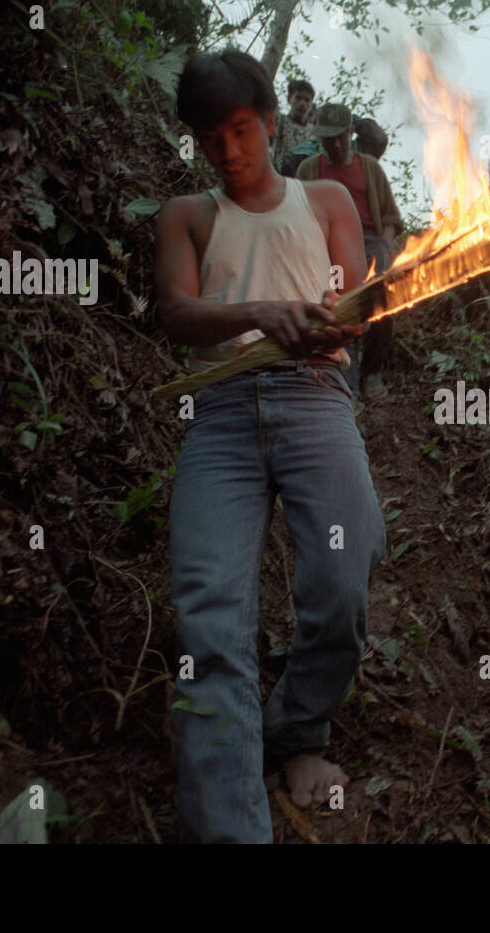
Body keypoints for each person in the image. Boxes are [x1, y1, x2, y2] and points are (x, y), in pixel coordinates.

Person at [154, 49, 385, 843]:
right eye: (209, 137)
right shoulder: (186, 214)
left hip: (315, 395)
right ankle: (228, 822)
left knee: (344, 571)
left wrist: (333, 317)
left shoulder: (325, 199)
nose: (228, 151)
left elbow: (355, 307)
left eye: (242, 129)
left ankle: (293, 731)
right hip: (218, 412)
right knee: (211, 614)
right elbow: (177, 315)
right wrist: (261, 310)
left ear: (272, 122)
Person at [296, 105, 403, 399]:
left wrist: (383, 244)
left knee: (383, 299)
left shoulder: (369, 167)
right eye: (329, 139)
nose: (337, 144)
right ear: (321, 139)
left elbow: (392, 218)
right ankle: (348, 384)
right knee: (339, 307)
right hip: (328, 243)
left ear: (350, 134)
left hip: (369, 240)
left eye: (341, 137)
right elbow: (299, 218)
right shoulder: (309, 170)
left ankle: (372, 373)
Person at [271, 78, 314, 170]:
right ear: (289, 99)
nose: (302, 104)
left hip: (303, 180)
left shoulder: (314, 133)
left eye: (307, 100)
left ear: (311, 104)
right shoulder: (279, 122)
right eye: (298, 98)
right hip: (279, 176)